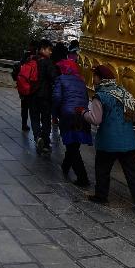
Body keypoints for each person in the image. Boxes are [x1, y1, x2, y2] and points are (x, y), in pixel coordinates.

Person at [76, 65, 135, 214]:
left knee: (102, 169)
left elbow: (96, 119)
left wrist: (83, 112)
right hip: (127, 141)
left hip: (108, 142)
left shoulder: (100, 96)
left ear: (100, 78)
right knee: (132, 173)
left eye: (95, 76)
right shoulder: (123, 92)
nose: (94, 79)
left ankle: (101, 195)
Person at [52, 56, 91, 187]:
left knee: (72, 147)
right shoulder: (81, 81)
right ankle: (65, 166)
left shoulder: (60, 79)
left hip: (68, 115)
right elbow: (85, 98)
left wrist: (55, 113)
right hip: (81, 114)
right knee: (74, 144)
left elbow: (57, 97)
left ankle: (83, 178)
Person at [29, 39, 58, 155]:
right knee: (46, 119)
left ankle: (37, 137)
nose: (51, 52)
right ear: (42, 49)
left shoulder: (30, 59)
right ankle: (45, 142)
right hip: (45, 96)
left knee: (34, 118)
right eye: (49, 49)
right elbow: (54, 78)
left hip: (31, 95)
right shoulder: (47, 62)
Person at [12, 41, 38, 132]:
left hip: (23, 86)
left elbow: (19, 67)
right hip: (32, 86)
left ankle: (24, 124)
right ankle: (35, 127)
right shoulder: (37, 58)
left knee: (24, 107)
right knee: (32, 108)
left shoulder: (26, 55)